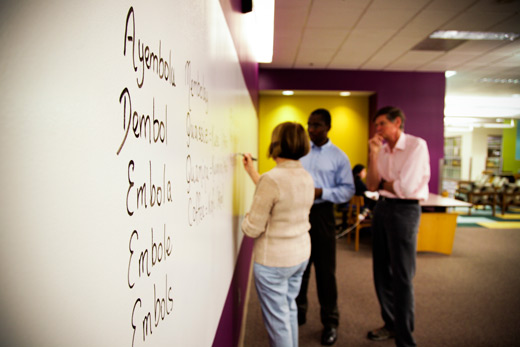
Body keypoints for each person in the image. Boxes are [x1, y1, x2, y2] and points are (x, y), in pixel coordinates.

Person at [241, 121, 315, 347]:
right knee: (289, 308)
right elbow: (279, 194)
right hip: (300, 255)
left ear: (276, 144)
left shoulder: (272, 179)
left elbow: (252, 228)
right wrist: (253, 173)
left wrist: (245, 216)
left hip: (274, 262)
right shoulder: (305, 176)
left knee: (277, 321)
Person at [365, 106, 430, 347]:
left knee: (402, 276)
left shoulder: (416, 146)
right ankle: (390, 324)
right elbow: (372, 185)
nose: (378, 129)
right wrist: (373, 156)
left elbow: (407, 187)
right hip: (382, 208)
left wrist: (387, 183)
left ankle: (405, 338)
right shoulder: (380, 149)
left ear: (398, 122)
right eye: (376, 125)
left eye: (382, 124)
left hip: (405, 211)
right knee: (381, 272)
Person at [296, 108, 355, 346]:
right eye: (309, 124)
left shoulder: (339, 157)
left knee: (325, 273)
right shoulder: (300, 152)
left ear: (328, 127)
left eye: (317, 125)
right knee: (300, 268)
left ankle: (330, 322)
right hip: (298, 213)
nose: (311, 129)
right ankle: (298, 312)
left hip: (323, 215)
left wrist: (323, 192)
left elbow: (348, 190)